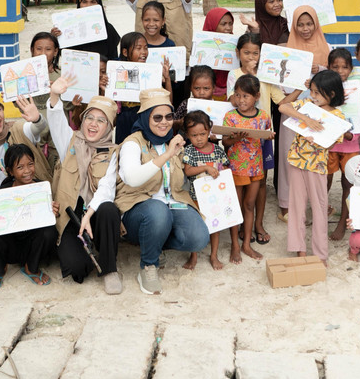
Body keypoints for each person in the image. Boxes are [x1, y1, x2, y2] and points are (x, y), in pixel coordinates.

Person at [115, 88, 210, 295]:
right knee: (158, 211)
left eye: (168, 116)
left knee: (199, 238)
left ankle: (155, 243)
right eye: (157, 117)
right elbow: (132, 178)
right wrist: (167, 155)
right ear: (145, 118)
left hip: (172, 202)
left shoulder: (172, 140)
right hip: (139, 209)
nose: (164, 122)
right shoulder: (132, 143)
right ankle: (149, 265)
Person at [46, 80, 122, 295]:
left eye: (101, 120)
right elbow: (56, 121)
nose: (93, 124)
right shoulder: (70, 141)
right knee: (78, 270)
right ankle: (80, 248)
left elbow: (107, 189)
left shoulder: (114, 152)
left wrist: (88, 215)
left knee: (109, 209)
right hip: (71, 215)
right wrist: (54, 95)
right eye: (89, 117)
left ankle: (109, 269)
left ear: (109, 127)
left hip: (95, 215)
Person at [279, 70, 350, 265]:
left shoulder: (338, 116)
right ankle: (299, 250)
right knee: (296, 207)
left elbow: (331, 143)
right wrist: (306, 119)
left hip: (317, 167)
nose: (312, 95)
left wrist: (317, 139)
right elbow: (283, 106)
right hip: (296, 161)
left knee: (319, 208)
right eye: (311, 91)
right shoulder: (306, 105)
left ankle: (320, 254)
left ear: (331, 94)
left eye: (317, 92)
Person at [0, 92, 55, 246]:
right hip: (2, 206)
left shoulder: (17, 129)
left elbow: (37, 128)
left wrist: (37, 119)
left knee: (45, 234)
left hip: (31, 197)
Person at [227, 32, 288, 243]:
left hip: (262, 138)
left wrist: (300, 89)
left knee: (261, 183)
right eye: (247, 52)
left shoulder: (267, 76)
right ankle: (243, 225)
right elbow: (233, 100)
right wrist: (252, 76)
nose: (251, 56)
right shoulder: (234, 75)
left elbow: (281, 101)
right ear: (238, 53)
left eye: (255, 53)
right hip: (241, 140)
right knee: (242, 184)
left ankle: (258, 224)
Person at [276, 5, 332, 221]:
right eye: (300, 24)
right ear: (294, 26)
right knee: (289, 156)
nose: (305, 28)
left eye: (309, 24)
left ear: (316, 24)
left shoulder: (326, 47)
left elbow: (335, 76)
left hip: (318, 111)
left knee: (313, 156)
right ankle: (286, 204)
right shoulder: (287, 49)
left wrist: (320, 69)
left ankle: (312, 203)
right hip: (292, 107)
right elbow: (280, 80)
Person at [0, 144, 58, 290]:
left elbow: (47, 219)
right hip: (10, 247)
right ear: (10, 171)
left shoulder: (41, 188)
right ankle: (1, 267)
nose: (27, 171)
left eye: (30, 164)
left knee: (50, 232)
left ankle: (31, 267)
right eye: (20, 167)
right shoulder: (1, 194)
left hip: (33, 246)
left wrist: (53, 211)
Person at [222, 75, 273, 264]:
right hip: (236, 167)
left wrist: (269, 137)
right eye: (237, 95)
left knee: (250, 205)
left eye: (246, 96)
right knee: (236, 207)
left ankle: (246, 245)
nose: (241, 100)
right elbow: (225, 142)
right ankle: (235, 245)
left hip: (256, 168)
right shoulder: (231, 117)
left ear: (256, 96)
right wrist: (235, 138)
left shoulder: (263, 116)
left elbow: (265, 138)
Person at [182, 110, 230, 271]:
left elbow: (224, 167)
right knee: (196, 226)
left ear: (209, 130)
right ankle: (194, 255)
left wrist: (221, 171)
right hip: (195, 197)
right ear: (187, 135)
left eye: (203, 134)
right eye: (194, 135)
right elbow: (188, 171)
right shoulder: (189, 151)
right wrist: (206, 168)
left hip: (215, 197)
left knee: (215, 226)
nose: (199, 138)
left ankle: (213, 255)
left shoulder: (217, 150)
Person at [114, 32, 172, 144]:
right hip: (124, 121)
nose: (144, 52)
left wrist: (167, 78)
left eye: (146, 48)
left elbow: (167, 102)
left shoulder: (151, 73)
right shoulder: (118, 71)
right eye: (138, 48)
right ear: (125, 52)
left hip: (145, 119)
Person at [327, 48, 360, 241]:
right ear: (328, 67)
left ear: (351, 69)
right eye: (335, 67)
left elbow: (359, 119)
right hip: (329, 144)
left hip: (350, 144)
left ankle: (343, 221)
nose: (340, 71)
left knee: (348, 183)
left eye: (345, 67)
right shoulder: (325, 88)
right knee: (324, 181)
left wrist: (350, 134)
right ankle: (322, 212)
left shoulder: (356, 91)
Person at [52, 0, 120, 60]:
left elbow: (113, 59)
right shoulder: (69, 27)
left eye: (93, 2)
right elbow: (62, 53)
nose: (88, 5)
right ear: (79, 3)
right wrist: (54, 38)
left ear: (99, 3)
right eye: (84, 2)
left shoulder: (108, 29)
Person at [202, 8, 235, 101]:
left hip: (230, 94)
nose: (228, 28)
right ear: (212, 24)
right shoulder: (202, 46)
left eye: (230, 24)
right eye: (223, 24)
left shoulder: (234, 45)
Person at [173, 65, 216, 132]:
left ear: (213, 88)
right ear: (190, 87)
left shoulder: (217, 107)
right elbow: (172, 123)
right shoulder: (185, 104)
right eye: (197, 88)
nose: (201, 92)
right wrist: (179, 123)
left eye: (206, 88)